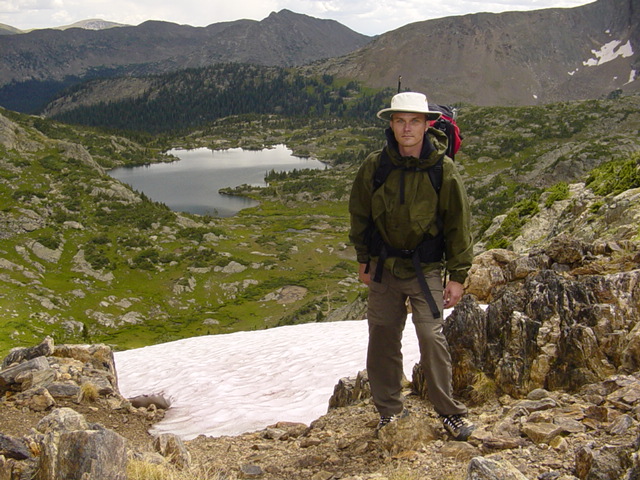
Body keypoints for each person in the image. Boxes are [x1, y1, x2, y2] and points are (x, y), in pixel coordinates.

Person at [348, 91, 475, 441]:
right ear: (391, 123)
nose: (407, 128)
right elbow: (359, 213)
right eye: (400, 120)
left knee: (431, 336)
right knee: (382, 337)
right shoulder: (376, 165)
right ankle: (390, 412)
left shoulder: (442, 168)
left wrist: (458, 276)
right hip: (384, 268)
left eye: (414, 121)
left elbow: (458, 224)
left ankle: (449, 413)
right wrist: (364, 258)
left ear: (427, 124)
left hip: (427, 269)